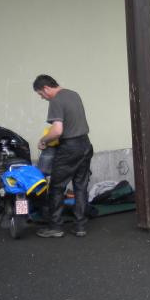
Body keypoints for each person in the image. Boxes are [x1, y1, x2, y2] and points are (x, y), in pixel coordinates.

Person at [33, 75, 93, 238]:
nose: (42, 98)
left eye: (40, 94)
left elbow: (57, 130)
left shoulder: (56, 101)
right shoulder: (73, 94)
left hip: (69, 148)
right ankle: (80, 226)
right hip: (85, 145)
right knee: (80, 186)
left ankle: (55, 226)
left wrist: (43, 140)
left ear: (46, 88)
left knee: (57, 187)